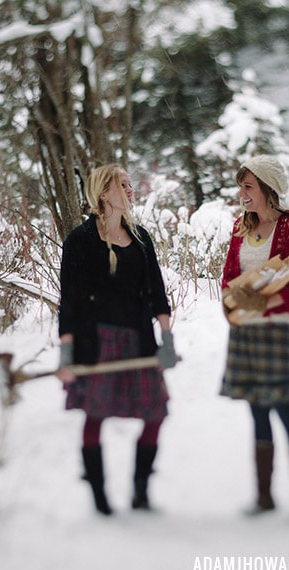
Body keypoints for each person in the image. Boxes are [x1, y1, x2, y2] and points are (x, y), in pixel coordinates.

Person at [57, 163, 177, 515]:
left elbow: (157, 292)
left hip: (138, 339)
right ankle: (98, 493)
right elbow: (70, 301)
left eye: (129, 183)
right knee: (95, 415)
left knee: (155, 412)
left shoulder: (141, 238)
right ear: (103, 194)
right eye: (121, 184)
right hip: (96, 341)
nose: (130, 189)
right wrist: (66, 353)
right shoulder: (79, 241)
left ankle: (140, 488)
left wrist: (166, 339)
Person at [219, 154, 289, 517]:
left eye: (248, 186)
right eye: (241, 186)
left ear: (267, 190)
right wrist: (230, 306)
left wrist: (257, 303)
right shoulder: (239, 228)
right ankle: (264, 496)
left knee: (286, 409)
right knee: (257, 411)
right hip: (246, 333)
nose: (241, 193)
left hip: (276, 331)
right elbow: (229, 277)